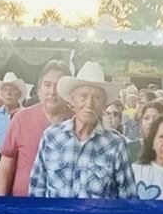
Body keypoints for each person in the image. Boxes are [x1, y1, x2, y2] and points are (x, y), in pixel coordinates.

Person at [29, 63, 136, 199]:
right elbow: (37, 189)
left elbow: (129, 199)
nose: (89, 104)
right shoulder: (51, 137)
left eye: (96, 98)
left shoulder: (115, 144)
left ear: (103, 104)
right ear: (72, 100)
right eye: (83, 96)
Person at [0, 61, 70, 197]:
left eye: (58, 85)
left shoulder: (77, 122)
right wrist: (1, 205)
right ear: (39, 86)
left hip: (62, 209)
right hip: (22, 209)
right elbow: (6, 166)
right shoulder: (21, 119)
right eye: (47, 84)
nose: (52, 91)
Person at [0, 72, 25, 146]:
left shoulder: (27, 116)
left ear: (19, 93)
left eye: (12, 89)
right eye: (5, 90)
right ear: (1, 93)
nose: (8, 93)